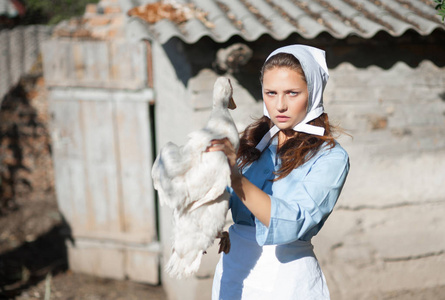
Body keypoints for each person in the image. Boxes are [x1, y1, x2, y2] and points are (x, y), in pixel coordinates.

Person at [207, 44, 350, 299]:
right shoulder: (251, 144)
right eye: (271, 93)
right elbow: (219, 194)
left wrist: (233, 176)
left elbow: (294, 222)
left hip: (286, 278)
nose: (280, 105)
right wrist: (211, 223)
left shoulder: (330, 157)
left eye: (292, 93)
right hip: (233, 270)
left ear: (313, 93)